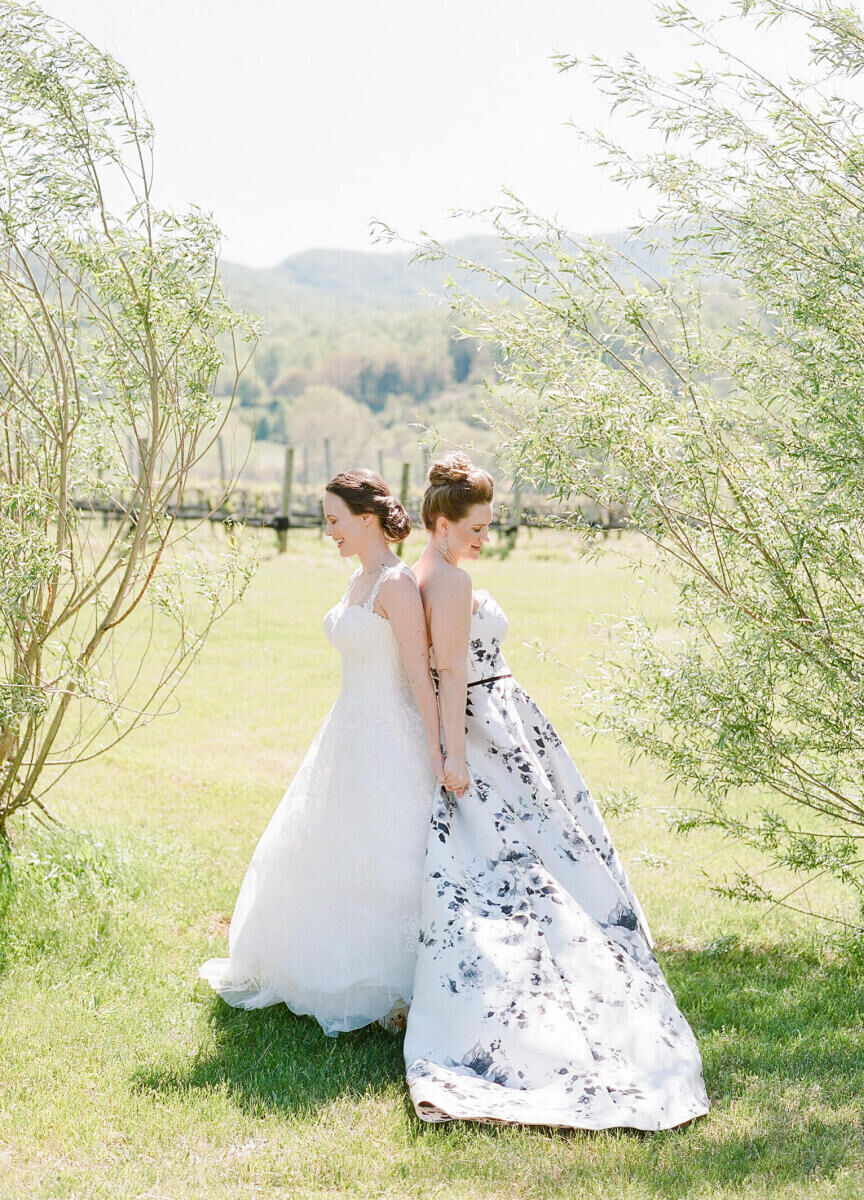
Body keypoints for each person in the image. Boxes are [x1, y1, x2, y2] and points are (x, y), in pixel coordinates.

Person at [404, 452, 710, 1129]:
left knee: (539, 847)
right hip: (487, 728)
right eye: (477, 526)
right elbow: (450, 673)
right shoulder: (450, 581)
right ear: (442, 522)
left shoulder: (425, 573)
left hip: (493, 720)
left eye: (488, 526)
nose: (485, 537)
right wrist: (455, 754)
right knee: (541, 853)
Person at [200, 469, 442, 1036]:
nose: (327, 530)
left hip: (390, 740)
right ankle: (321, 965)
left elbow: (419, 676)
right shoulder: (360, 579)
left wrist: (438, 753)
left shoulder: (397, 585)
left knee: (387, 855)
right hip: (347, 733)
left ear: (367, 519)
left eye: (334, 519)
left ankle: (395, 983)